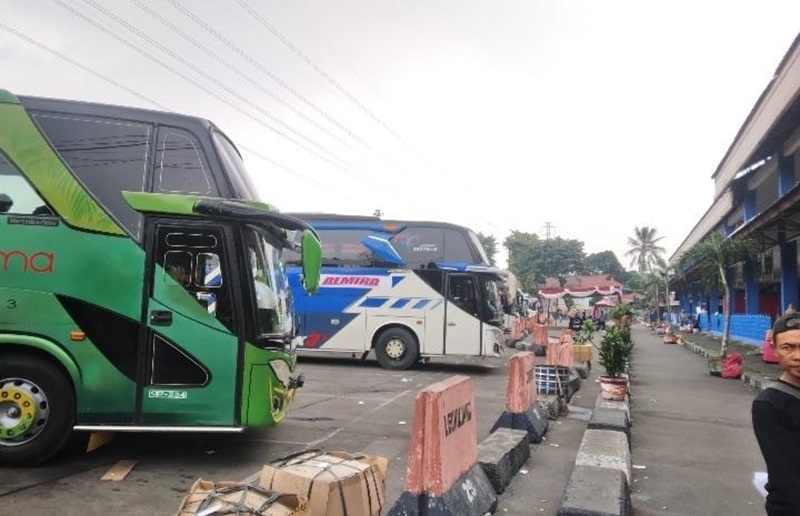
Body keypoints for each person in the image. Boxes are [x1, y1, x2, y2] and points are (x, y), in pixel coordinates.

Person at [752, 312, 800, 515]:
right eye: (788, 348)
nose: (798, 356)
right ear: (775, 350)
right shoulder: (769, 404)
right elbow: (787, 478)